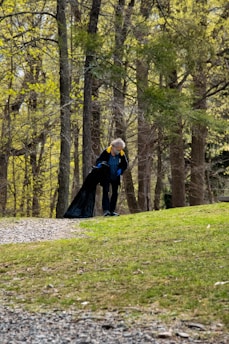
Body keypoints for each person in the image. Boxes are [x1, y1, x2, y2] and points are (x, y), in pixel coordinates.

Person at [96, 138, 128, 216]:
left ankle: (112, 210)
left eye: (120, 149)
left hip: (115, 176)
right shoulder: (106, 152)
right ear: (113, 147)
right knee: (106, 192)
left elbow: (125, 164)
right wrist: (100, 165)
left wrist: (121, 170)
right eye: (118, 149)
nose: (119, 151)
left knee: (115, 193)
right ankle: (106, 210)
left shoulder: (121, 154)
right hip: (106, 176)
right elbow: (98, 161)